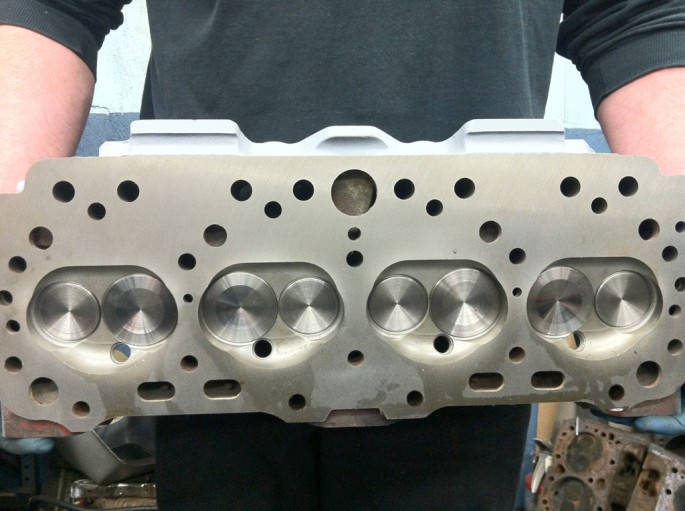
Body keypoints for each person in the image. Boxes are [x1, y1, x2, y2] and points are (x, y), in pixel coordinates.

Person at [1, 1, 684, 509]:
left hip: (474, 332)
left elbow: (632, 15)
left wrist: (671, 263)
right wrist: (15, 260)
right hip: (200, 332)